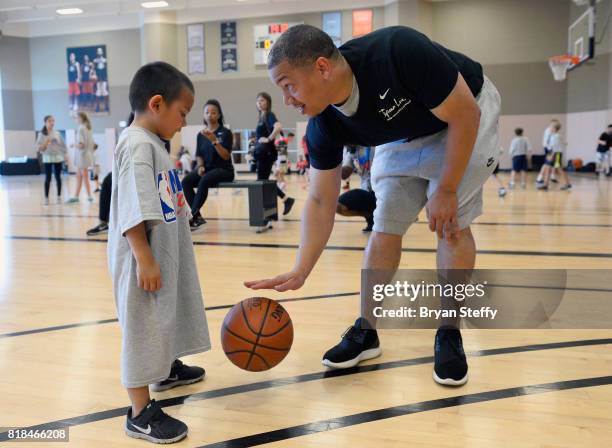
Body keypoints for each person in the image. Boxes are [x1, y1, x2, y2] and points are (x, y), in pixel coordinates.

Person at [245, 25, 502, 387]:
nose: (286, 100)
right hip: (405, 130)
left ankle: (449, 333)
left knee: (451, 224)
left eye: (288, 85)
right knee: (385, 225)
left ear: (321, 67)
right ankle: (366, 331)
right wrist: (302, 268)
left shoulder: (397, 51)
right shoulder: (323, 124)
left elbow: (464, 113)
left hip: (464, 111)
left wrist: (445, 189)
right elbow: (321, 199)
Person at [107, 62, 210, 444]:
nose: (184, 122)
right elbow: (133, 207)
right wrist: (144, 257)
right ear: (156, 103)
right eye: (182, 113)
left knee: (163, 317)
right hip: (142, 259)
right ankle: (139, 413)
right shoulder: (136, 145)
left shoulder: (151, 144)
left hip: (159, 253)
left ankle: (163, 368)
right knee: (142, 327)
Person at [181, 99, 234, 231]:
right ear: (203, 115)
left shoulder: (225, 133)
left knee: (204, 180)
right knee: (186, 181)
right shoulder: (201, 134)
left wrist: (214, 141)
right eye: (207, 112)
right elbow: (199, 155)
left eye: (213, 112)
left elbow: (226, 156)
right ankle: (198, 217)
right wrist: (200, 166)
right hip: (207, 169)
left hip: (224, 170)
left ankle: (192, 215)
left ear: (219, 115)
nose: (210, 114)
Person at [254, 92, 295, 215]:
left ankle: (270, 210)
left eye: (262, 100)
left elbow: (278, 126)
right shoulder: (261, 117)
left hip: (267, 154)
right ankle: (285, 201)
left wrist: (268, 138)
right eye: (258, 101)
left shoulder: (269, 115)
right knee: (263, 181)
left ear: (268, 102)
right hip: (262, 154)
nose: (259, 103)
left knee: (262, 182)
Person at [337, 146, 376, 232]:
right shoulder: (351, 152)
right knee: (337, 206)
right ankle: (370, 216)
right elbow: (344, 175)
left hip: (380, 188)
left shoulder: (372, 145)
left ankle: (376, 218)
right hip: (366, 190)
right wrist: (332, 163)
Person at [36, 115, 67, 205]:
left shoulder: (57, 133)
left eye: (53, 121)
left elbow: (63, 146)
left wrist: (65, 154)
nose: (52, 123)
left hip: (57, 157)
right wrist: (46, 143)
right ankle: (46, 198)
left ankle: (59, 196)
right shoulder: (41, 134)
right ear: (45, 122)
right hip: (47, 157)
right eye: (50, 121)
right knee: (48, 178)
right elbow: (39, 148)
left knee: (58, 178)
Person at [66, 112, 95, 203]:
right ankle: (76, 196)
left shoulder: (81, 128)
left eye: (76, 118)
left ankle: (90, 196)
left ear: (81, 118)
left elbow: (81, 145)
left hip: (83, 156)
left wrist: (73, 144)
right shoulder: (88, 127)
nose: (75, 120)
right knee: (78, 176)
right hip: (86, 155)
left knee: (84, 176)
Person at [539, 122, 571, 190]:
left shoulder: (556, 136)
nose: (549, 128)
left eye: (550, 127)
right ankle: (545, 184)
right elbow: (563, 142)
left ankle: (567, 184)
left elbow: (555, 147)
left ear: (554, 128)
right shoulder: (554, 135)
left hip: (556, 154)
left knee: (559, 169)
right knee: (548, 168)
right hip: (552, 153)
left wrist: (552, 155)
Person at [536, 119, 559, 185]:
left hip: (550, 148)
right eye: (555, 126)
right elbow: (548, 142)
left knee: (552, 164)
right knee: (547, 164)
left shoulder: (550, 131)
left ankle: (552, 176)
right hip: (549, 148)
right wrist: (551, 150)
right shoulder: (549, 131)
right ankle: (540, 178)